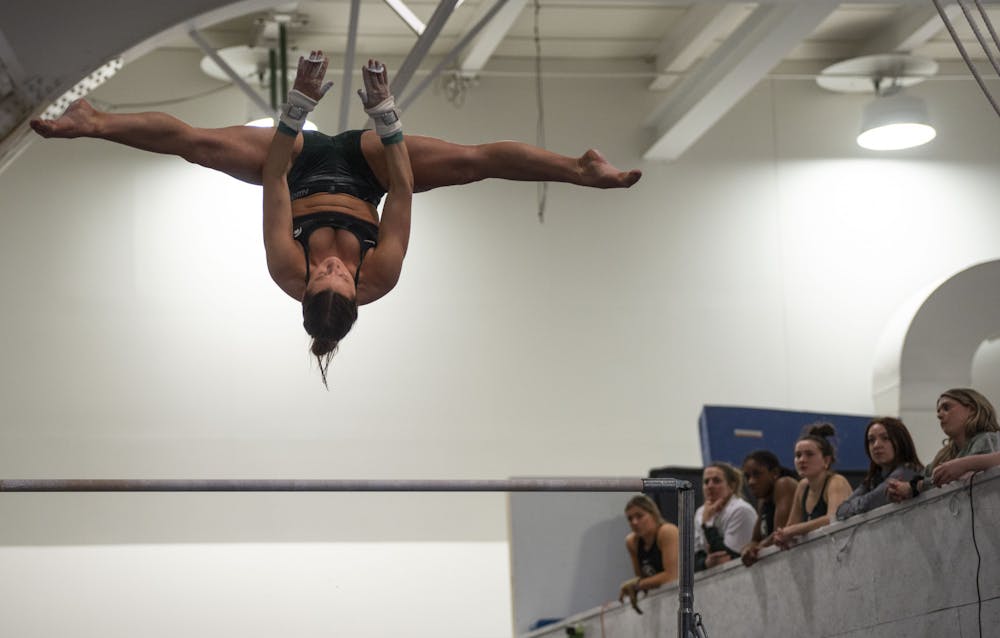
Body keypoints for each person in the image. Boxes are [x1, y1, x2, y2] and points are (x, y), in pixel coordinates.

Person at [29, 55, 642, 385]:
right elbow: (404, 187)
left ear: (304, 285)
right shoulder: (382, 276)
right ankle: (580, 170)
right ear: (355, 287)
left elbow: (270, 179)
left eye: (317, 274)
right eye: (336, 275)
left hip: (294, 167)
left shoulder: (284, 269)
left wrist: (297, 105)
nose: (327, 266)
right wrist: (384, 114)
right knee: (472, 162)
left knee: (197, 144)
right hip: (374, 171)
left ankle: (95, 122)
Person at [887, 388, 1000, 501]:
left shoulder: (988, 439)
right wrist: (900, 490)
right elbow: (922, 477)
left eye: (946, 408)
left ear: (972, 409)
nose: (939, 415)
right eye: (938, 411)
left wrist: (914, 488)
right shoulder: (945, 454)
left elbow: (963, 480)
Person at [771, 423, 851, 550]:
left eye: (809, 454)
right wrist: (782, 536)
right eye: (798, 455)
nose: (802, 460)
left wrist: (794, 530)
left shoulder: (836, 482)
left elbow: (834, 519)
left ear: (826, 461)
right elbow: (791, 526)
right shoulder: (803, 486)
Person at [835, 417, 922, 520]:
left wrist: (859, 503)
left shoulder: (908, 470)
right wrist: (863, 502)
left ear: (900, 441)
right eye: (871, 440)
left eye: (885, 438)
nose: (876, 445)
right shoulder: (873, 478)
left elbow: (871, 502)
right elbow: (841, 510)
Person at [618, 494, 679, 614]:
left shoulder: (667, 532)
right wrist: (635, 586)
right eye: (630, 519)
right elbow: (642, 579)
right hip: (664, 600)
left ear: (654, 515)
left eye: (639, 516)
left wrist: (636, 585)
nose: (634, 522)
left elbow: (672, 576)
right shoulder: (632, 542)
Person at [693, 462, 757, 571]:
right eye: (706, 482)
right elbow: (693, 559)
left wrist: (707, 523)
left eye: (716, 481)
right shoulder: (700, 512)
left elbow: (729, 557)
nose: (710, 486)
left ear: (732, 486)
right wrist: (705, 563)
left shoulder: (740, 510)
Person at [739, 449, 798, 567]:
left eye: (757, 474)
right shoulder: (763, 501)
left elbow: (780, 533)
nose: (751, 482)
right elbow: (755, 539)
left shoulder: (784, 484)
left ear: (775, 472)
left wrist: (756, 548)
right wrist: (748, 548)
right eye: (747, 476)